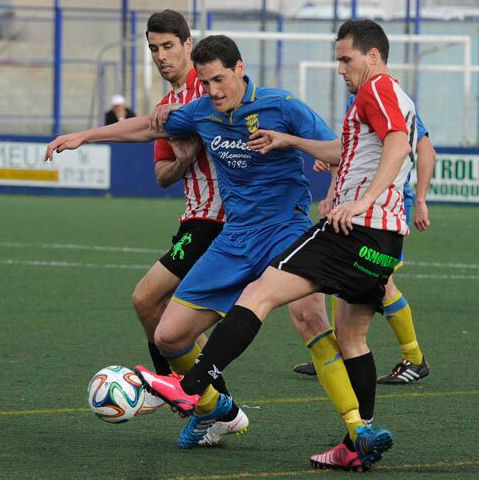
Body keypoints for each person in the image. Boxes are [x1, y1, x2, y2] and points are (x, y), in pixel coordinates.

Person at [132, 19, 418, 471]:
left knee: (261, 296)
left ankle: (191, 387)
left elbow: (397, 144)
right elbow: (360, 150)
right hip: (385, 237)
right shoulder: (397, 95)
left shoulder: (374, 89)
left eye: (346, 58)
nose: (340, 67)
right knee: (352, 336)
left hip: (352, 227)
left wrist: (359, 197)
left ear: (374, 56)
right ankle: (359, 434)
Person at [44, 34, 341, 452]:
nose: (214, 90)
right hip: (228, 234)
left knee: (311, 317)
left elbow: (338, 147)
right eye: (206, 83)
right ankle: (210, 406)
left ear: (238, 68)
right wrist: (85, 136)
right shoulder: (198, 109)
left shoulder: (281, 105)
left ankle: (357, 426)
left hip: (278, 228)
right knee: (162, 327)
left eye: (219, 79)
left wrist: (305, 155)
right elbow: (150, 135)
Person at [292, 110, 436, 383]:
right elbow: (351, 154)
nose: (341, 69)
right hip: (355, 204)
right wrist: (333, 186)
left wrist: (420, 200)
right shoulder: (356, 98)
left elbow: (425, 149)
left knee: (380, 281)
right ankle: (344, 353)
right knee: (342, 271)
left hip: (385, 207)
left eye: (346, 62)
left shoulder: (388, 97)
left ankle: (415, 359)